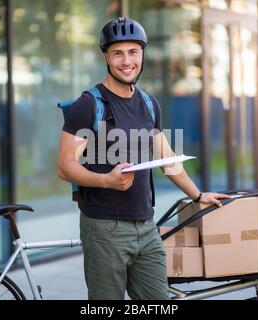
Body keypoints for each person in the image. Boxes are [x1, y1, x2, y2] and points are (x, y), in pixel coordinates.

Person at [57, 17, 229, 300]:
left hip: (146, 225)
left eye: (133, 52)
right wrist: (105, 180)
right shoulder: (89, 105)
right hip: (104, 228)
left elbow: (168, 160)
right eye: (118, 53)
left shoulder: (149, 104)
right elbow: (64, 166)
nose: (127, 61)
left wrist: (198, 195)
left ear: (142, 54)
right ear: (106, 57)